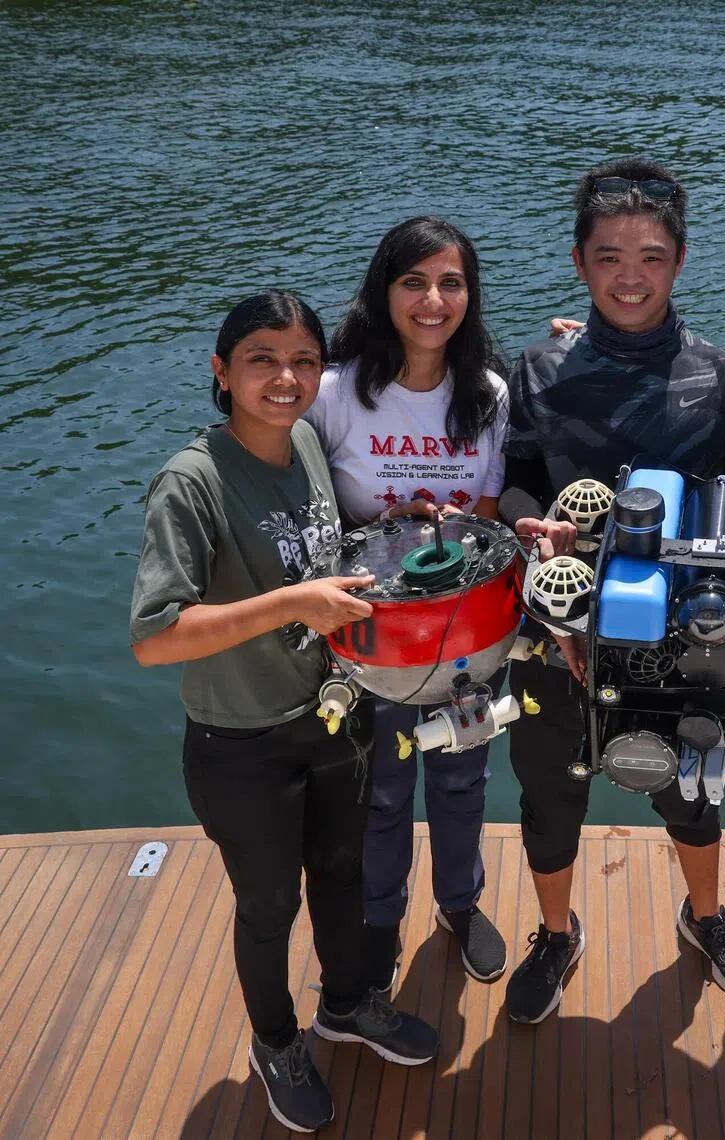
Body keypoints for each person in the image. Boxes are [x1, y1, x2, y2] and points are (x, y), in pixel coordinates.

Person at [129, 292, 438, 1134]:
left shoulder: (305, 440)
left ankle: (347, 1003)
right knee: (268, 906)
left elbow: (318, 555)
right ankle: (276, 1042)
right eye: (261, 359)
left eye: (304, 360)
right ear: (221, 371)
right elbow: (155, 638)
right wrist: (293, 604)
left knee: (341, 872)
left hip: (332, 714)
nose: (286, 378)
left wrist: (391, 526)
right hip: (242, 741)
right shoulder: (192, 481)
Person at [500, 158, 725, 1025]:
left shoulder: (719, 376)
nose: (630, 276)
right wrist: (531, 528)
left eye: (651, 257)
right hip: (556, 626)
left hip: (678, 637)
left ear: (680, 262)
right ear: (578, 262)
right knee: (550, 795)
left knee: (691, 789)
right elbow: (513, 479)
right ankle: (555, 933)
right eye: (609, 256)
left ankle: (706, 918)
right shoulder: (538, 366)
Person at [305, 217, 510, 993]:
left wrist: (452, 526)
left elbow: (486, 516)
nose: (433, 300)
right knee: (383, 793)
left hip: (464, 635)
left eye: (451, 283)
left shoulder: (487, 394)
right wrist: (384, 525)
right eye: (414, 282)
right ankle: (381, 919)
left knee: (462, 779)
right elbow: (307, 507)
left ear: (470, 295)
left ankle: (460, 904)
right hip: (370, 639)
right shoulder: (336, 393)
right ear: (383, 291)